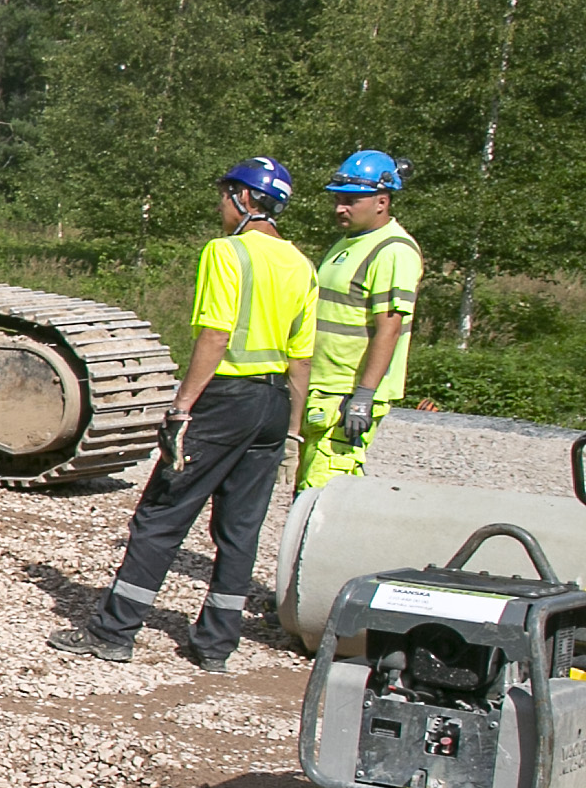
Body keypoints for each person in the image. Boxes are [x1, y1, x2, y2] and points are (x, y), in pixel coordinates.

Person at [59, 159, 318, 669]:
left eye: (225, 197)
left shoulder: (228, 253)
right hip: (273, 404)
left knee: (162, 513)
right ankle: (216, 646)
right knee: (241, 529)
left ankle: (115, 632)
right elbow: (302, 356)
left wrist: (182, 408)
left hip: (227, 400)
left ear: (245, 198)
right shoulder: (302, 265)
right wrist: (291, 430)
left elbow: (215, 336)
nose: (221, 207)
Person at [299, 150, 421, 492]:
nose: (340, 208)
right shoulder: (348, 243)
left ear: (382, 201)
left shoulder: (393, 251)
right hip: (325, 386)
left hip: (346, 393)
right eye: (338, 199)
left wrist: (364, 396)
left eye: (352, 200)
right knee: (308, 484)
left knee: (325, 490)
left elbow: (390, 327)